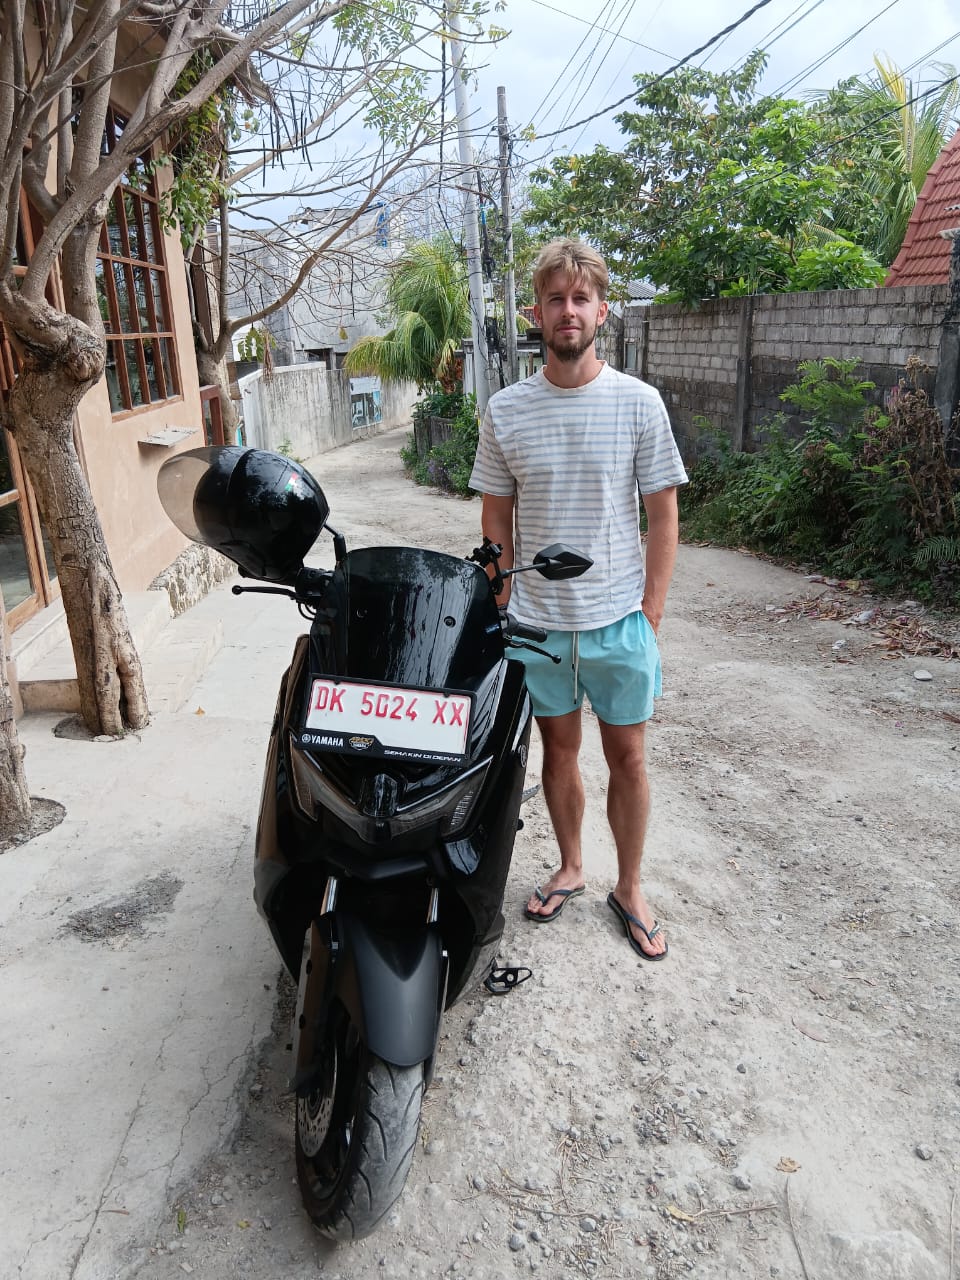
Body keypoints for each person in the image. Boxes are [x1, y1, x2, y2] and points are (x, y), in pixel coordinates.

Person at [469, 238, 687, 960]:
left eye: (581, 298)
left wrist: (650, 614)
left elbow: (662, 514)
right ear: (538, 312)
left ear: (601, 311)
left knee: (628, 757)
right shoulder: (506, 410)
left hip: (619, 619)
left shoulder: (638, 402)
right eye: (556, 298)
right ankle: (570, 865)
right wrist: (501, 599)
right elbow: (496, 514)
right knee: (555, 755)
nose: (569, 310)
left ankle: (629, 886)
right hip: (536, 624)